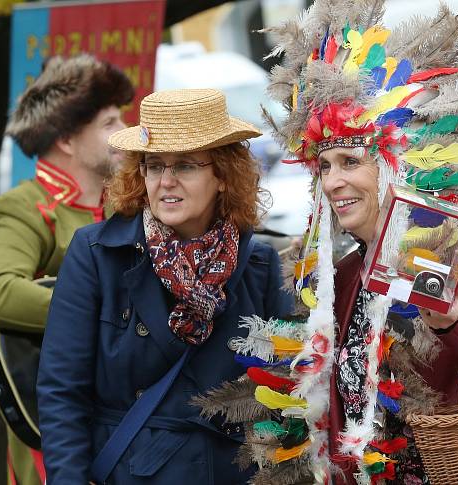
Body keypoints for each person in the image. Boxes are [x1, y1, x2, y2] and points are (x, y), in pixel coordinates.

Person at [196, 2, 458, 483]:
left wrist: (456, 318)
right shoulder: (343, 279)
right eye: (325, 166)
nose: (333, 182)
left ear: (392, 165)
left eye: (350, 161)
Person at [36, 88, 292, 483]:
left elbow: (285, 395)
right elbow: (61, 391)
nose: (167, 182)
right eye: (154, 166)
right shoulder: (97, 254)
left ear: (222, 176)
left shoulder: (258, 264)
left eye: (186, 166)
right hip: (131, 469)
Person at [0, 54, 133, 485]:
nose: (125, 134)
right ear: (66, 138)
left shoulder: (126, 204)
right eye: (109, 123)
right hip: (61, 421)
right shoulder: (25, 207)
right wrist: (105, 309)